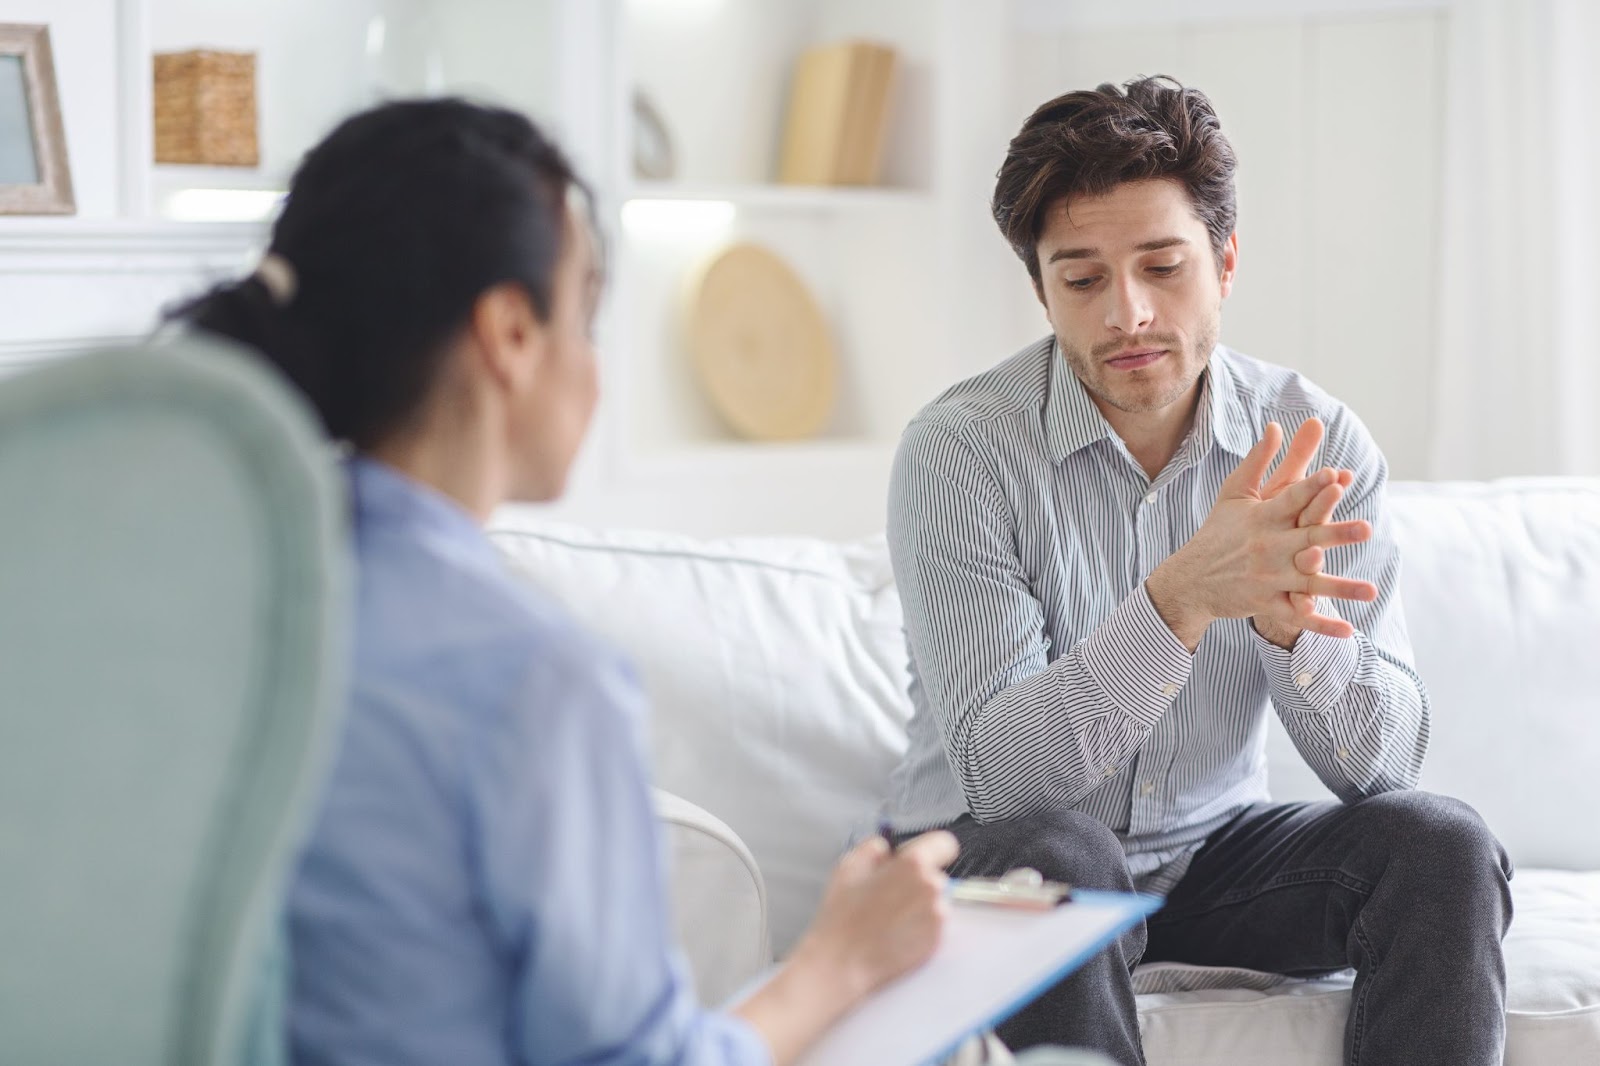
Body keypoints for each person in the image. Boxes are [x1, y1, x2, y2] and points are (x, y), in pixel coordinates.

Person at [173, 97, 960, 1066]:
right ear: (509, 332)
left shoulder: (186, 607)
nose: (594, 368)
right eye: (584, 316)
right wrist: (838, 958)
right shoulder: (526, 674)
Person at [880, 76, 1513, 1065]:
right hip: (989, 857)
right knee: (1062, 850)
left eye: (1162, 267)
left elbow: (1382, 770)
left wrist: (1295, 631)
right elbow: (1004, 786)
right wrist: (1174, 602)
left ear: (1223, 262)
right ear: (1039, 288)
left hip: (1207, 854)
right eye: (1081, 279)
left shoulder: (1312, 436)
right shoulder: (959, 451)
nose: (1126, 313)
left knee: (1439, 842)